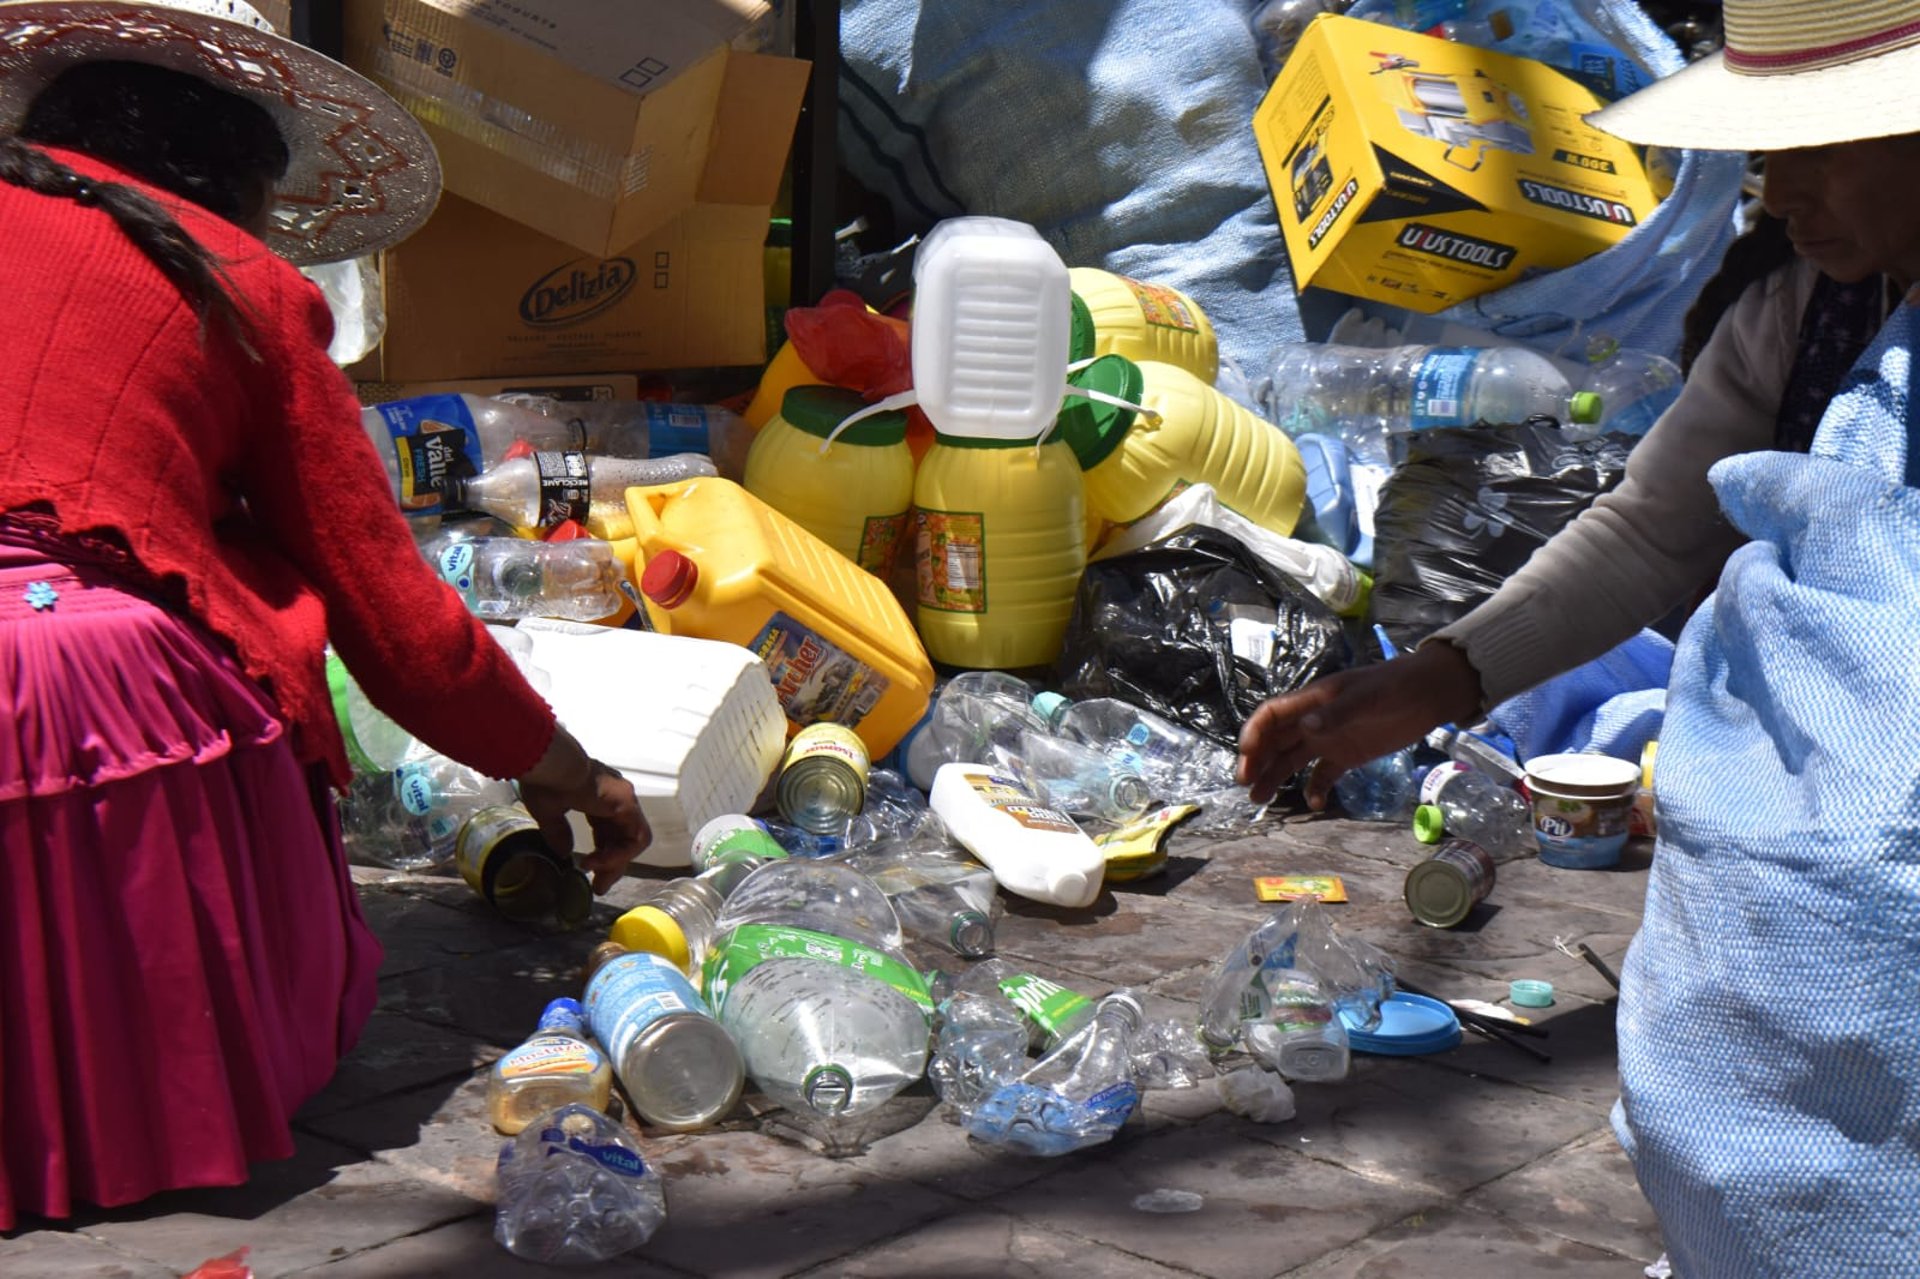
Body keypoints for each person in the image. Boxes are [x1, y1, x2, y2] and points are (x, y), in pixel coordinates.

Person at [1239, 1, 1920, 1271]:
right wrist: (1418, 684)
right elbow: (1652, 532)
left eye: (1821, 148)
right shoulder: (1799, 324)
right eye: (1767, 156)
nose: (1778, 195)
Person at [0, 0, 647, 1230]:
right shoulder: (233, 277)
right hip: (83, 703)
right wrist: (568, 770)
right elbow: (396, 620)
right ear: (239, 170)